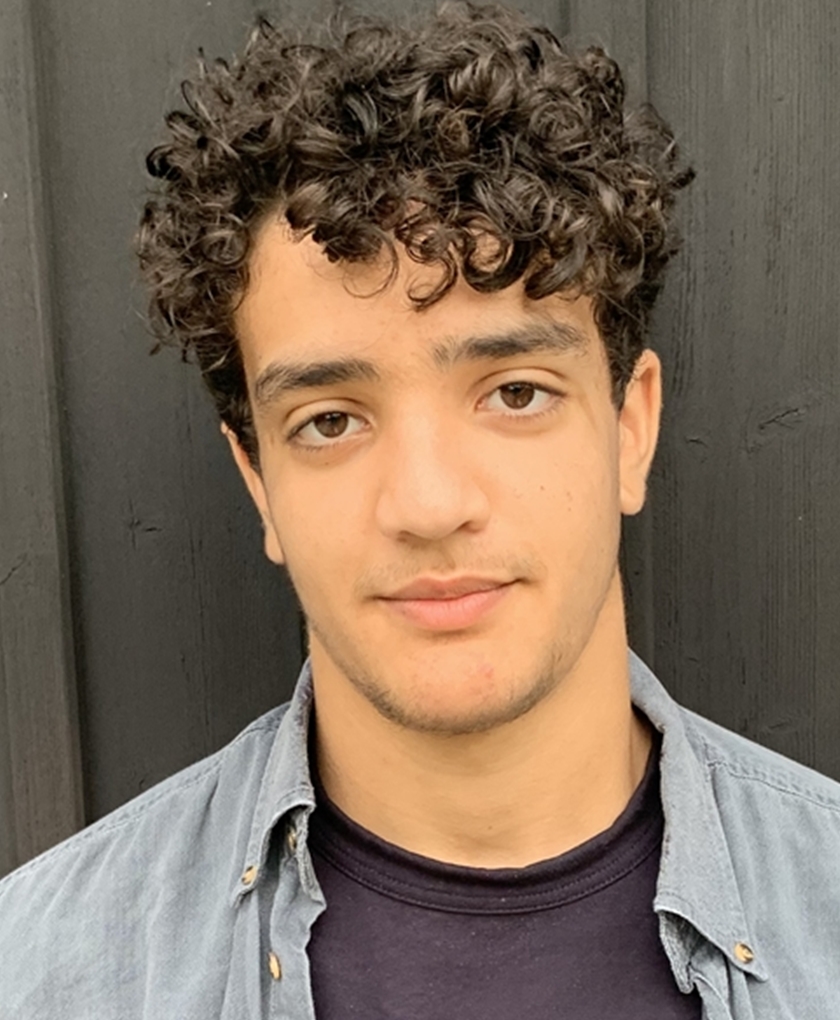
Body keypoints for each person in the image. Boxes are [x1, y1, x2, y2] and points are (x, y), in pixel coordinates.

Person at [1, 3, 838, 1017]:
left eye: (516, 393)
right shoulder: (40, 973)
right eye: (329, 421)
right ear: (258, 478)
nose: (430, 505)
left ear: (630, 428)